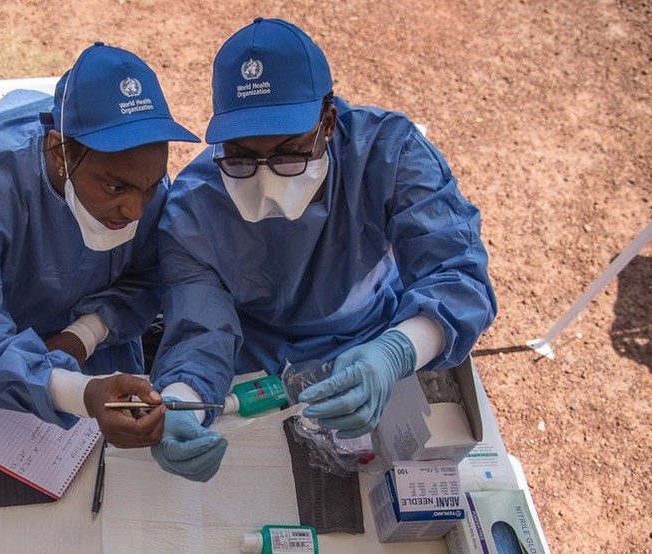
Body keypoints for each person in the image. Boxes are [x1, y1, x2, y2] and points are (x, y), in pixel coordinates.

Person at [149, 18, 497, 481]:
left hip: (370, 337)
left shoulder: (389, 155)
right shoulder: (195, 209)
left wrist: (395, 351)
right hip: (256, 353)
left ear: (328, 122)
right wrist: (184, 405)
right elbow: (200, 327)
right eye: (240, 155)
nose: (266, 180)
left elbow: (458, 277)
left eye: (290, 153)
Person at [0, 42, 200, 448]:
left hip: (78, 331)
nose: (136, 210)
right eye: (115, 187)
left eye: (151, 186)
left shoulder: (139, 179)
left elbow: (145, 275)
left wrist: (81, 336)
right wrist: (78, 392)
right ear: (58, 151)